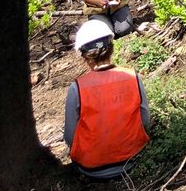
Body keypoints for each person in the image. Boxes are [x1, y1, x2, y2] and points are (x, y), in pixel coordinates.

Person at [64, 19, 150, 179]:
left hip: (91, 169)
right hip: (133, 160)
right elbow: (145, 120)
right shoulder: (133, 77)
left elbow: (69, 135)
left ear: (85, 55)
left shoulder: (77, 88)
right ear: (111, 48)